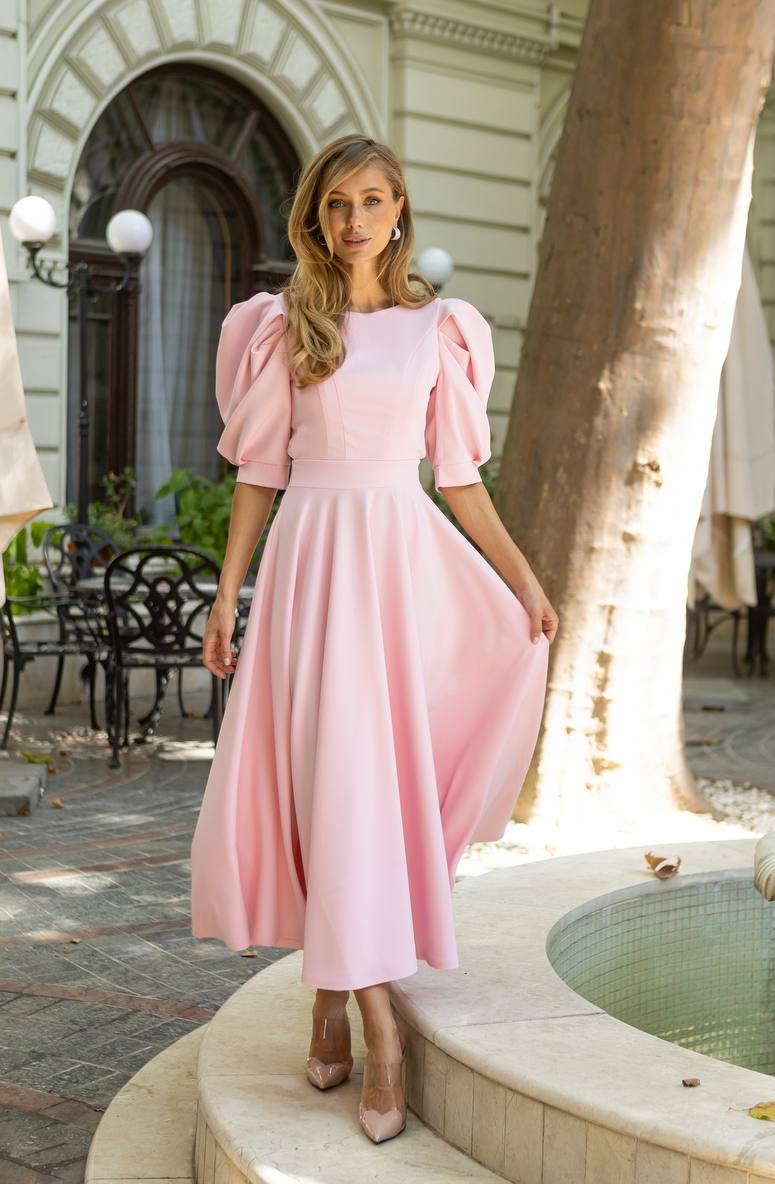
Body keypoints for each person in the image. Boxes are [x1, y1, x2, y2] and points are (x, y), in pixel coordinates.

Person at [191, 132, 557, 1144]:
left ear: (400, 212)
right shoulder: (278, 326)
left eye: (374, 199)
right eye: (338, 202)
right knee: (322, 782)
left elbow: (458, 478)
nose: (356, 218)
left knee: (369, 784)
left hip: (398, 566)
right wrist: (228, 596)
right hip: (311, 566)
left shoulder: (439, 329)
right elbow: (258, 473)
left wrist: (520, 578)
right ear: (315, 215)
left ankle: (347, 1002)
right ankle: (366, 1015)